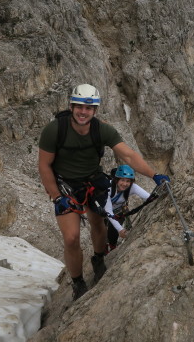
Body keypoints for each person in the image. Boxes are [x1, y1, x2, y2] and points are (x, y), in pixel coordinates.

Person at [38, 83, 170, 300]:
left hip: (92, 181)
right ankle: (78, 282)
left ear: (95, 110)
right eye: (79, 106)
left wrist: (154, 175)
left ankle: (98, 259)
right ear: (71, 106)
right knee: (71, 238)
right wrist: (57, 196)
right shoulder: (55, 130)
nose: (83, 112)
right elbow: (44, 165)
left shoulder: (102, 129)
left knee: (99, 224)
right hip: (66, 186)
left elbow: (128, 155)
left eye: (88, 108)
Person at [102, 164, 156, 253]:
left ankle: (112, 246)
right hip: (104, 209)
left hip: (119, 209)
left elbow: (148, 197)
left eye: (128, 181)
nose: (125, 184)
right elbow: (108, 211)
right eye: (122, 180)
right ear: (117, 180)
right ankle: (103, 246)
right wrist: (121, 229)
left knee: (113, 230)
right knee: (102, 229)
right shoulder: (108, 188)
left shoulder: (132, 187)